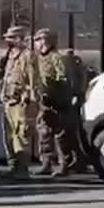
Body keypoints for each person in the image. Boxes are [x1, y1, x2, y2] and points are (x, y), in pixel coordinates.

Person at [0, 26, 40, 180]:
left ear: (18, 39)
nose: (7, 41)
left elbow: (32, 78)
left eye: (10, 38)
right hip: (9, 100)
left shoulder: (28, 56)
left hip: (21, 101)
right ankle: (13, 166)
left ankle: (23, 168)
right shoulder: (9, 56)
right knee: (9, 136)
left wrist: (30, 96)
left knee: (21, 134)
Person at [34, 28, 73, 177]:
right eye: (37, 40)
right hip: (44, 102)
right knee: (43, 132)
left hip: (56, 101)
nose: (37, 43)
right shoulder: (38, 58)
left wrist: (53, 89)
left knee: (60, 134)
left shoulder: (56, 57)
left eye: (40, 40)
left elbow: (63, 78)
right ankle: (47, 162)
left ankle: (64, 164)